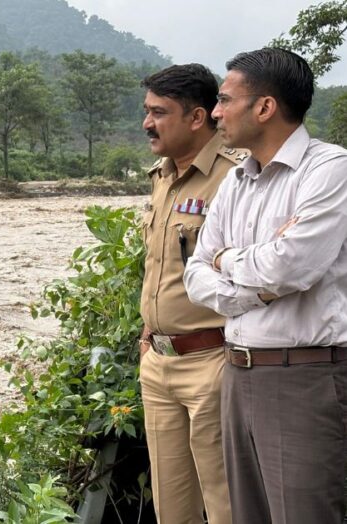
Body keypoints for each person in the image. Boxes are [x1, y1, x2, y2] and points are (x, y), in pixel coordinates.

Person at [184, 47, 347, 524]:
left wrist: (227, 260)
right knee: (246, 515)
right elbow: (196, 274)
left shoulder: (329, 169)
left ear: (264, 107)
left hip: (305, 377)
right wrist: (254, 283)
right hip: (237, 372)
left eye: (224, 100)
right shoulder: (236, 180)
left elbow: (291, 265)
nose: (215, 113)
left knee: (303, 514)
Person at [138, 64, 244, 524]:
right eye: (147, 111)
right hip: (158, 364)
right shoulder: (160, 177)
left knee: (226, 503)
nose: (147, 124)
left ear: (197, 117)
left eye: (159, 113)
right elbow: (158, 268)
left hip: (212, 362)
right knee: (171, 506)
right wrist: (147, 334)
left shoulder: (236, 179)